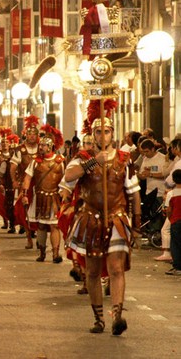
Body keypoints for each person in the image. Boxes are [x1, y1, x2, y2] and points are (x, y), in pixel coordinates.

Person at [65, 99, 141, 335]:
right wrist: (91, 163)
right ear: (93, 133)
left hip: (116, 218)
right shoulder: (82, 157)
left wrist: (136, 226)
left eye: (107, 131)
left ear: (112, 133)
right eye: (98, 131)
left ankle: (117, 315)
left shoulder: (123, 159)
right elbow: (69, 177)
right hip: (91, 219)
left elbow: (134, 194)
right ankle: (99, 319)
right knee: (93, 271)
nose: (103, 135)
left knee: (116, 268)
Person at [21, 124, 65, 263]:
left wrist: (66, 195)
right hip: (39, 197)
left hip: (54, 198)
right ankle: (42, 252)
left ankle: (56, 253)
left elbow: (66, 179)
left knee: (54, 225)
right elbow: (27, 177)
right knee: (40, 225)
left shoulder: (60, 161)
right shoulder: (35, 162)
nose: (41, 148)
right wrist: (24, 194)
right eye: (41, 146)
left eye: (44, 146)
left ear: (50, 146)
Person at [10, 115, 41, 249]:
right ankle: (29, 236)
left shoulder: (42, 148)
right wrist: (14, 181)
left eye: (35, 134)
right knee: (24, 211)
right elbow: (13, 167)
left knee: (40, 210)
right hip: (25, 183)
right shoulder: (20, 150)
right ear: (26, 135)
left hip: (40, 184)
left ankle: (39, 236)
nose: (32, 137)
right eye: (30, 134)